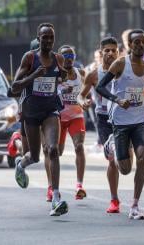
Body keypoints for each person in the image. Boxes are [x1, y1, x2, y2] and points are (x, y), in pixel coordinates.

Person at [95, 29, 144, 219]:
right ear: (129, 45)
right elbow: (100, 87)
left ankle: (135, 205)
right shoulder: (120, 64)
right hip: (120, 121)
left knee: (142, 157)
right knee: (125, 169)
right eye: (136, 42)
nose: (140, 45)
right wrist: (117, 100)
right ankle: (114, 147)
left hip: (140, 119)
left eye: (143, 42)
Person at [11, 23, 68, 216]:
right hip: (31, 112)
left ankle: (56, 198)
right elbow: (14, 87)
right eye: (45, 37)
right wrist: (34, 75)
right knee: (34, 156)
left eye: (51, 37)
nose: (49, 41)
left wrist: (64, 74)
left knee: (52, 150)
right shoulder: (30, 58)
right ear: (38, 38)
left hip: (50, 110)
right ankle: (21, 164)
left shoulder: (57, 58)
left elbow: (62, 79)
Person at [78, 36, 121, 213]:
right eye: (107, 50)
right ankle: (114, 200)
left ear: (118, 52)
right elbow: (81, 95)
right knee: (112, 159)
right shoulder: (94, 74)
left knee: (125, 160)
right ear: (101, 53)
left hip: (123, 117)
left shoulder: (124, 71)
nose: (110, 53)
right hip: (104, 118)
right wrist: (83, 102)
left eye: (113, 50)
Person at [56, 45, 87, 199]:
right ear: (60, 58)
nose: (68, 60)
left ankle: (79, 186)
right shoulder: (55, 75)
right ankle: (52, 187)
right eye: (65, 57)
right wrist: (61, 91)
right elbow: (48, 93)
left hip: (76, 116)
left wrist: (86, 101)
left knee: (79, 147)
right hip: (59, 118)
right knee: (57, 152)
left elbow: (86, 92)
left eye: (71, 57)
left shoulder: (81, 73)